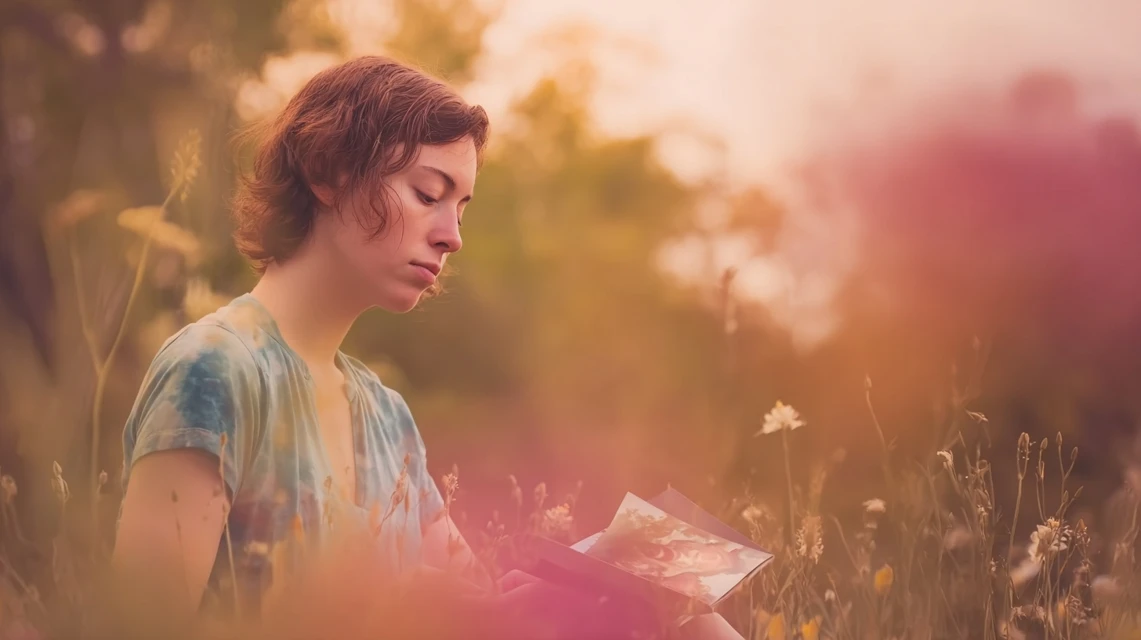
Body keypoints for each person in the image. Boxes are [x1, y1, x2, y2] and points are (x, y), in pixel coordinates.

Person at [109, 56, 646, 639]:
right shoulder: (214, 371)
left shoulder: (387, 418)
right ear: (329, 172)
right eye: (427, 194)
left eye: (461, 207)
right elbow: (141, 625)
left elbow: (476, 611)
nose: (453, 235)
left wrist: (589, 596)